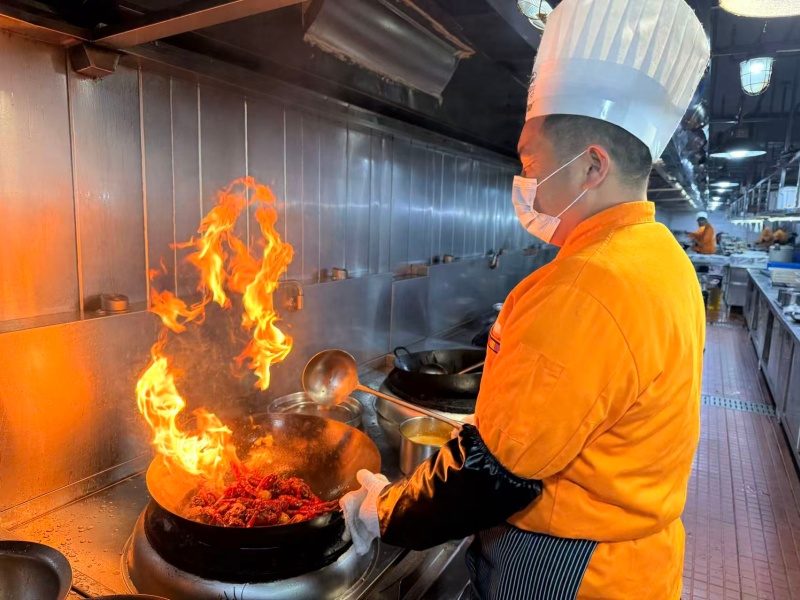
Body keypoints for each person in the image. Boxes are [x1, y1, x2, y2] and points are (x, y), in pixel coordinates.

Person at [340, 0, 709, 598]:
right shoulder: (660, 256)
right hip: (636, 563)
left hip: (571, 569)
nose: (527, 185)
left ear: (592, 166)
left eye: (532, 163)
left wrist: (385, 510)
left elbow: (494, 475)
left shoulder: (587, 284)